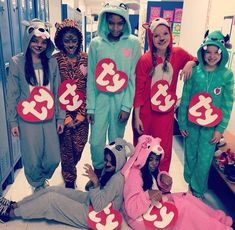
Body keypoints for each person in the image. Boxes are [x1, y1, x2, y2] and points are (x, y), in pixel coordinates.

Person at [0, 138, 134, 228]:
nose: (107, 164)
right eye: (106, 160)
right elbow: (99, 194)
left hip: (99, 216)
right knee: (52, 190)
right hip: (92, 201)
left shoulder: (117, 179)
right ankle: (15, 205)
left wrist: (95, 182)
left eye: (111, 162)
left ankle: (11, 214)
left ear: (120, 161)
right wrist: (96, 183)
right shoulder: (111, 171)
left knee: (50, 200)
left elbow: (99, 205)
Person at [122, 135, 233, 230]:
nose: (154, 163)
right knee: (185, 208)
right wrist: (148, 195)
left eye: (157, 159)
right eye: (151, 159)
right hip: (142, 217)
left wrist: (162, 180)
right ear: (143, 157)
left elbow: (157, 188)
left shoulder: (148, 169)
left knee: (186, 197)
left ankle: (220, 220)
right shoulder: (135, 175)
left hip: (152, 205)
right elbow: (131, 209)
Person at [86, 1, 141, 188]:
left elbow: (133, 76)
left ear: (125, 22)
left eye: (120, 23)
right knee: (95, 141)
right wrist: (90, 106)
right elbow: (92, 77)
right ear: (105, 22)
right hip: (100, 99)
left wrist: (127, 106)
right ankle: (98, 173)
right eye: (111, 23)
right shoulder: (95, 44)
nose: (116, 27)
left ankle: (111, 178)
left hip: (121, 99)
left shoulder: (133, 43)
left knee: (116, 140)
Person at [6, 19, 65, 192]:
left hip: (49, 117)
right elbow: (12, 94)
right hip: (27, 119)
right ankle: (37, 185)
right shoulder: (17, 62)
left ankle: (43, 177)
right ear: (28, 40)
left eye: (43, 42)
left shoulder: (51, 62)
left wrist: (60, 117)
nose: (39, 45)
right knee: (31, 157)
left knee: (53, 157)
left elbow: (58, 92)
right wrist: (13, 122)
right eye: (34, 40)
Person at [133, 18, 198, 172]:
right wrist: (137, 117)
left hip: (166, 112)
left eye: (165, 33)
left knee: (163, 148)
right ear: (151, 38)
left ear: (170, 34)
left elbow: (198, 59)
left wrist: (191, 63)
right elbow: (139, 91)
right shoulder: (145, 60)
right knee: (143, 147)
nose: (161, 38)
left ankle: (161, 182)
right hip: (145, 112)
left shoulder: (179, 54)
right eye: (156, 36)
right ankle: (140, 180)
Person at [178, 30, 234, 198]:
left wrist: (220, 129)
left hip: (211, 129)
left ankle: (198, 191)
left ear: (222, 52)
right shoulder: (194, 72)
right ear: (202, 51)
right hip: (191, 125)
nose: (211, 56)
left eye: (216, 52)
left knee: (204, 162)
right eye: (208, 52)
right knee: (190, 158)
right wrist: (182, 123)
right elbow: (185, 98)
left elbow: (227, 104)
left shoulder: (227, 75)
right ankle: (190, 184)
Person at [53, 19, 89, 189]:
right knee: (66, 148)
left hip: (82, 111)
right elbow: (53, 89)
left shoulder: (86, 59)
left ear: (79, 40)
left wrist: (82, 114)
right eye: (67, 40)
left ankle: (71, 168)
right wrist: (65, 116)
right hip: (63, 113)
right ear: (60, 41)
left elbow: (90, 86)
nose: (71, 44)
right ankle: (69, 179)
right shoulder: (55, 60)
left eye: (74, 40)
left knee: (79, 145)